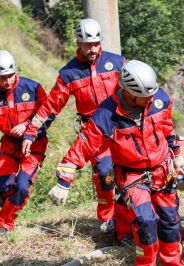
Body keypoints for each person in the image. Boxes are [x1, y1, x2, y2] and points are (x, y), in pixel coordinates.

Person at [34, 60, 184, 265]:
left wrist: (176, 153)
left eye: (152, 93)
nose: (151, 98)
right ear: (130, 93)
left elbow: (167, 128)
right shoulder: (107, 114)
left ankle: (172, 263)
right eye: (145, 96)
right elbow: (84, 146)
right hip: (133, 176)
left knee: (170, 221)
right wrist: (64, 181)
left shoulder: (159, 99)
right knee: (145, 222)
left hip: (163, 170)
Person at [22, 18, 125, 232]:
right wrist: (31, 133)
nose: (93, 49)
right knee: (105, 175)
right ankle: (109, 220)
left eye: (96, 44)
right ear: (79, 43)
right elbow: (50, 107)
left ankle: (132, 218)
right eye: (88, 45)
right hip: (94, 134)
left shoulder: (117, 62)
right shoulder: (69, 73)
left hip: (122, 128)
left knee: (130, 173)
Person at [0, 50, 53, 239]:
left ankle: (5, 224)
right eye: (2, 78)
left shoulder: (33, 88)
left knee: (22, 186)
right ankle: (6, 206)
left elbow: (49, 113)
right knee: (3, 185)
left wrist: (28, 126)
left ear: (15, 72)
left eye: (9, 76)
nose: (6, 81)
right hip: (9, 145)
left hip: (35, 145)